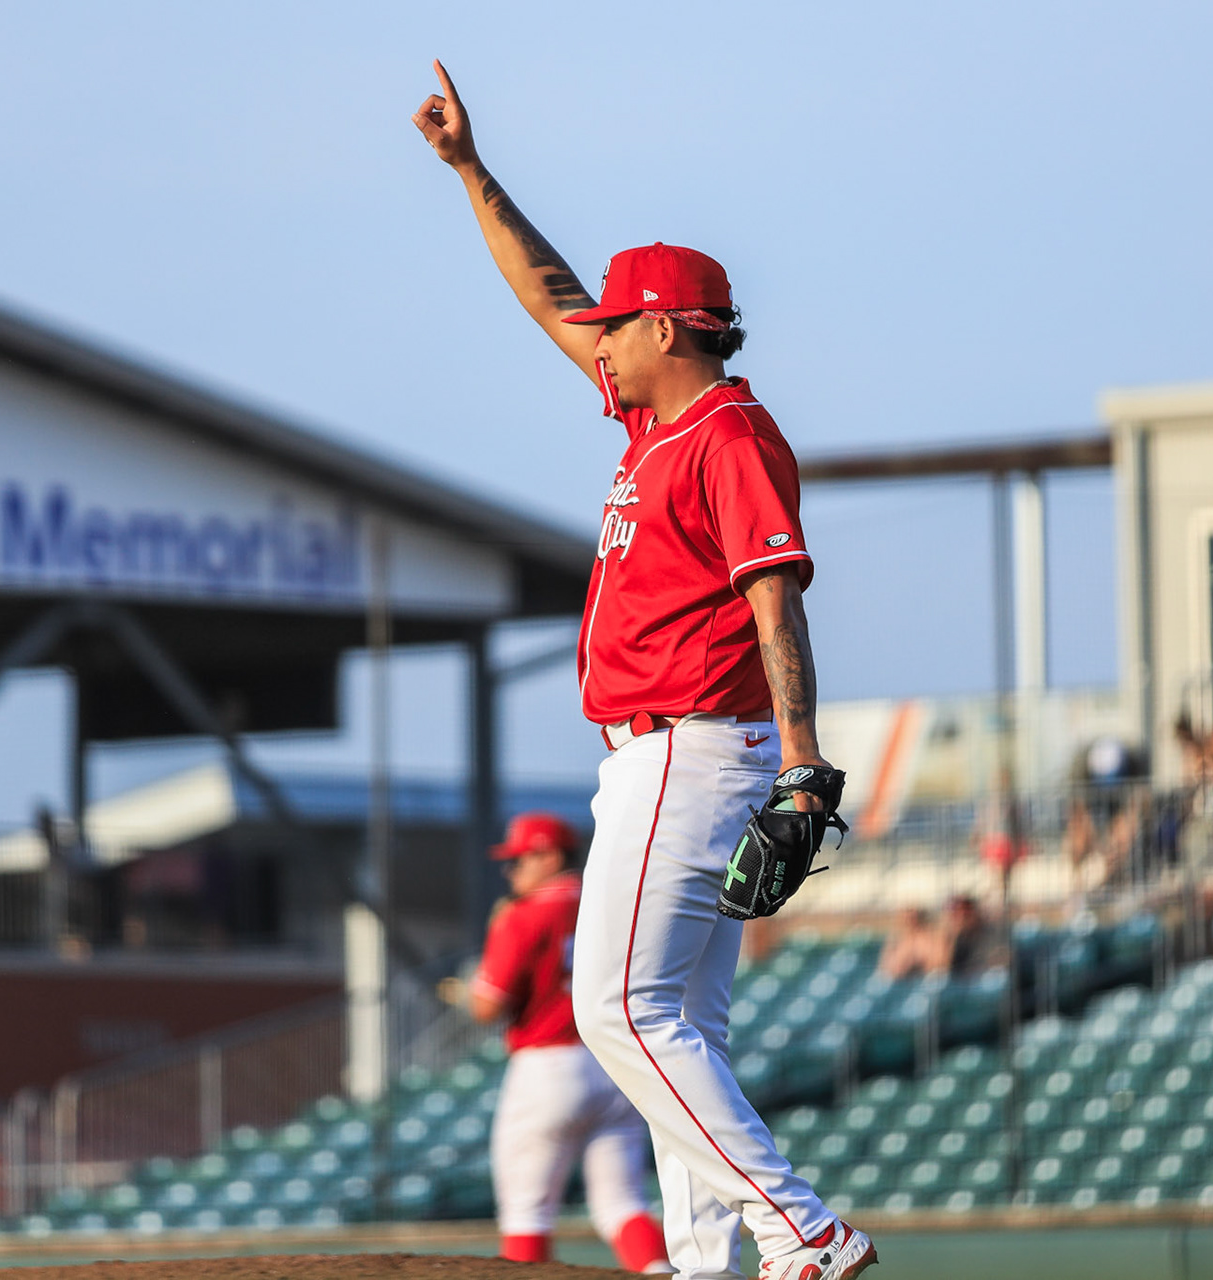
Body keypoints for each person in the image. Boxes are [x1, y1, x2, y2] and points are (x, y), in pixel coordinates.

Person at [415, 65, 875, 1280]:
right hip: (664, 753)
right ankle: (705, 1259)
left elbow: (777, 598)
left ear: (667, 329)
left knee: (620, 1010)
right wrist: (473, 173)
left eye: (618, 323)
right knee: (684, 1022)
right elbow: (548, 290)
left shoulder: (724, 431)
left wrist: (804, 765)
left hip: (692, 746)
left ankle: (805, 1227)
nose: (597, 337)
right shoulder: (653, 422)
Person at [469, 813, 669, 1272]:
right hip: (618, 1063)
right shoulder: (614, 902)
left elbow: (486, 1005)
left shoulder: (526, 913)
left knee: (526, 1209)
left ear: (550, 856)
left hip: (549, 1066)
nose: (511, 870)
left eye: (520, 859)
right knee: (622, 1204)